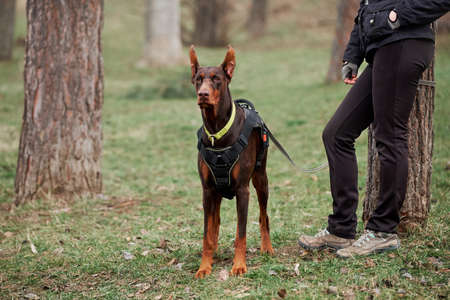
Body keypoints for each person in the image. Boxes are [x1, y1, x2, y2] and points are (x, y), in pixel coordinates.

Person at [298, 0, 450, 258]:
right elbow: (365, 8)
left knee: (389, 136)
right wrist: (353, 55)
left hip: (405, 44)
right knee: (336, 134)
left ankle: (382, 232)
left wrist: (397, 16)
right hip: (381, 51)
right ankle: (341, 229)